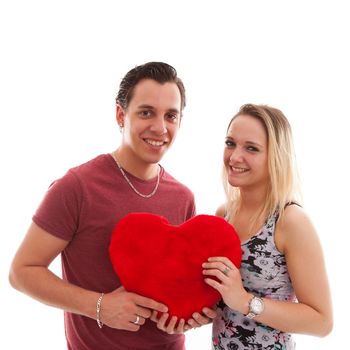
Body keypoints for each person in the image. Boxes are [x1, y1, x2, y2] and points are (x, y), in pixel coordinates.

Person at [9, 62, 215, 350]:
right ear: (121, 115)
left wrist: (190, 317)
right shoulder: (77, 187)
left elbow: (180, 285)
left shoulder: (183, 197)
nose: (160, 127)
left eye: (171, 115)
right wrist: (100, 306)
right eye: (146, 112)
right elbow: (22, 272)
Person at [202, 104, 333, 349]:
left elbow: (322, 321)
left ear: (275, 156)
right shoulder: (224, 215)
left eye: (251, 148)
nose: (234, 156)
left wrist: (244, 301)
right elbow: (218, 300)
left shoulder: (290, 221)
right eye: (230, 143)